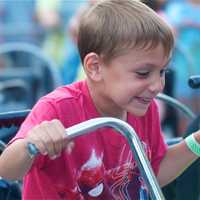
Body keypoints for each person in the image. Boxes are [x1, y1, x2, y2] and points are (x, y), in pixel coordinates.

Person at [0, 0, 200, 199]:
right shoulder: (57, 108)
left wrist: (197, 141)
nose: (158, 85)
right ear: (95, 67)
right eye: (143, 73)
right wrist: (31, 145)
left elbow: (154, 173)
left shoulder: (145, 108)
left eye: (162, 71)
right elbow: (7, 171)